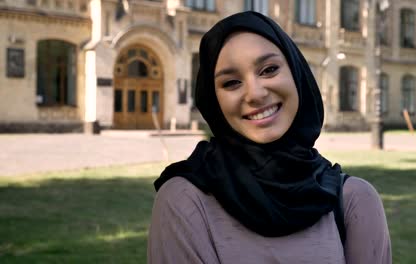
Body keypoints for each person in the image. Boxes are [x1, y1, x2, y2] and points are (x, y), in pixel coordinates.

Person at [148, 11, 391, 264]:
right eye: (231, 82)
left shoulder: (354, 201)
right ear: (213, 100)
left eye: (269, 69)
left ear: (297, 73)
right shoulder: (183, 202)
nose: (255, 93)